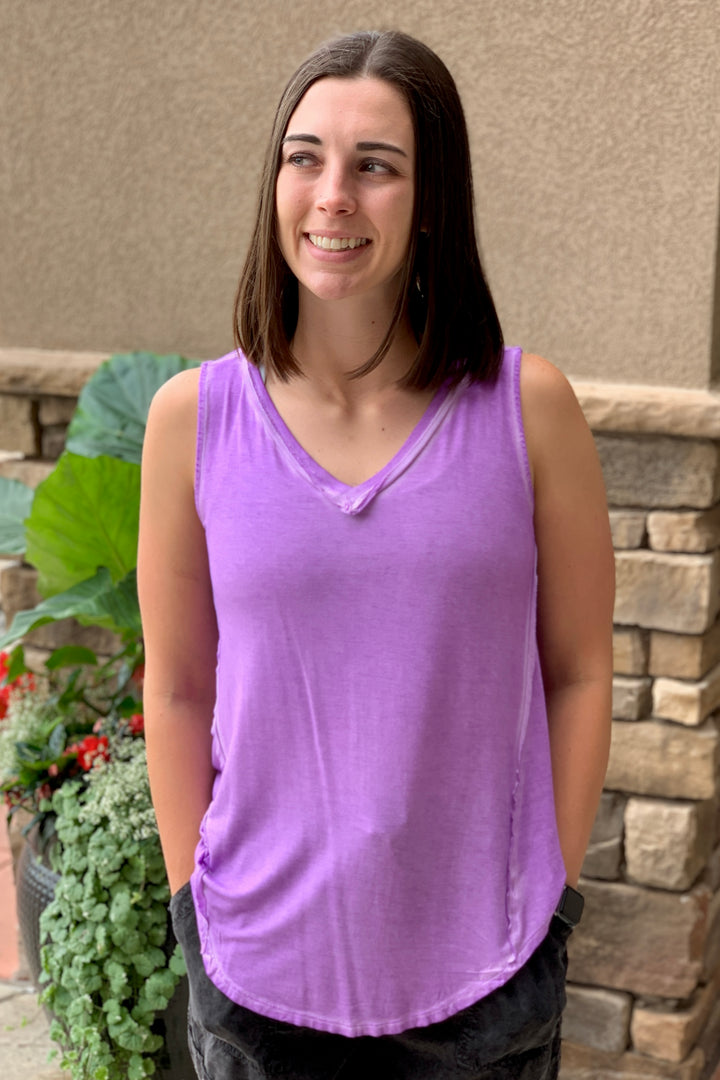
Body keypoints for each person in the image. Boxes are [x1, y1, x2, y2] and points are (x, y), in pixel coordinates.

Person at [138, 29, 614, 1080]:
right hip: (254, 984)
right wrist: (191, 907)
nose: (333, 193)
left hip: (485, 992)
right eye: (304, 156)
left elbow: (579, 669)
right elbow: (174, 687)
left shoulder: (527, 412)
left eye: (376, 166)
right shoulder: (193, 421)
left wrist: (552, 898)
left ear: (432, 199)